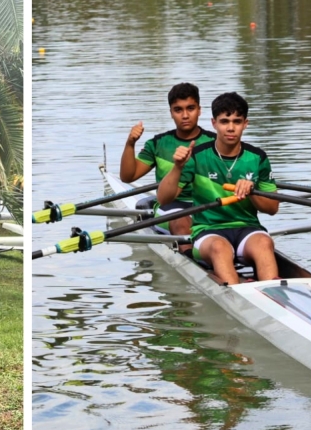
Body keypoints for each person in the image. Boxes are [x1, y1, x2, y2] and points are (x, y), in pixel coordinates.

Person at [157, 92, 280, 285]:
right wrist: (178, 167)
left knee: (265, 243)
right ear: (214, 123)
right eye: (224, 121)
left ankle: (274, 293)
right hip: (208, 231)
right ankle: (235, 295)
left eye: (237, 121)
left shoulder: (258, 158)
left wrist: (252, 191)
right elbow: (163, 199)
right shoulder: (196, 156)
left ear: (245, 124)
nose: (230, 128)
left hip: (248, 229)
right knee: (219, 248)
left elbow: (272, 208)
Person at [119, 82, 216, 251]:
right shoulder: (158, 144)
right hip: (171, 206)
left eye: (190, 108)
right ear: (171, 112)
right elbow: (128, 177)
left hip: (208, 204)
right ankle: (192, 259)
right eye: (178, 110)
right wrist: (130, 143)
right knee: (181, 221)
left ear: (199, 110)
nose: (185, 115)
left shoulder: (217, 143)